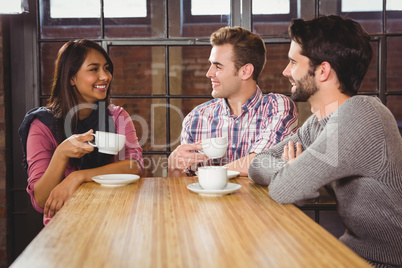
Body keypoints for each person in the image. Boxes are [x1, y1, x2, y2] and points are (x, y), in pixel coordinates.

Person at [247, 15, 402, 267]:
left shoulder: (361, 113)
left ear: (322, 70)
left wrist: (292, 175)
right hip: (349, 255)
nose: (286, 71)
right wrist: (288, 170)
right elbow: (258, 164)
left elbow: (285, 189)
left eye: (293, 62)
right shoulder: (318, 124)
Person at [19, 39, 144, 225]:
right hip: (64, 227)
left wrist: (78, 177)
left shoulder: (117, 116)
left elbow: (135, 166)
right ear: (71, 78)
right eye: (94, 69)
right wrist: (61, 154)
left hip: (116, 219)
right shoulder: (42, 125)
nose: (105, 76)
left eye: (107, 68)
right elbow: (41, 201)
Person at [168, 26, 298, 176]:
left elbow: (262, 161)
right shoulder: (196, 118)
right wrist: (174, 167)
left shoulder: (277, 107)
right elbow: (183, 185)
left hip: (258, 200)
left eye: (218, 66)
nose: (209, 73)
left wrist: (211, 173)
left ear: (245, 71)